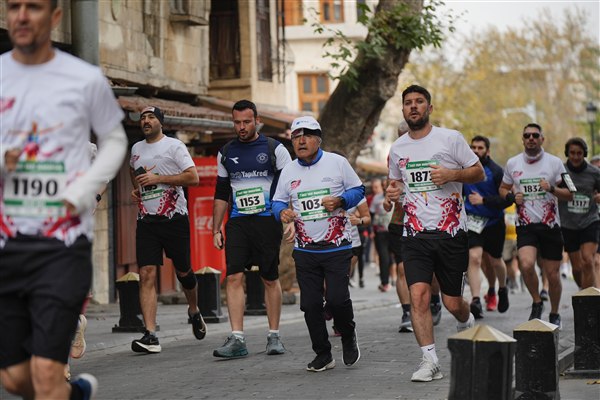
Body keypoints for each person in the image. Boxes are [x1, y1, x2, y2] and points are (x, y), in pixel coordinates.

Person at [0, 0, 127, 398]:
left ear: (55, 17)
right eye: (14, 6)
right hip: (10, 245)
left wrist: (85, 190)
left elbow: (114, 141)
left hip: (63, 244)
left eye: (33, 7)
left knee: (45, 370)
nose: (22, 15)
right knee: (14, 379)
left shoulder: (83, 79)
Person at [386, 85, 483, 382]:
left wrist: (453, 174)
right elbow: (396, 183)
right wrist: (393, 192)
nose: (413, 106)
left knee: (453, 303)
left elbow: (478, 172)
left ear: (429, 108)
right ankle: (430, 361)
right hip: (415, 234)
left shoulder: (450, 138)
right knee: (418, 296)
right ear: (403, 110)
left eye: (419, 102)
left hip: (450, 233)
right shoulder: (397, 148)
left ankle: (466, 319)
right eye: (408, 103)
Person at [272, 116, 364, 372]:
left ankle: (348, 334)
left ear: (318, 139)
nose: (300, 141)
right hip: (305, 249)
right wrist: (281, 212)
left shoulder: (337, 163)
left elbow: (359, 190)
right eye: (296, 137)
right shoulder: (289, 170)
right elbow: (277, 201)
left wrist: (341, 201)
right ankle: (323, 353)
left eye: (307, 135)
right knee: (310, 305)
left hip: (337, 247)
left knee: (336, 299)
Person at [212, 99, 292, 358]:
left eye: (247, 121)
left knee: (269, 277)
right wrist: (216, 228)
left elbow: (290, 187)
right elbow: (221, 193)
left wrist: (289, 219)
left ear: (257, 121)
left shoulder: (275, 149)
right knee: (234, 276)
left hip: (267, 219)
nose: (242, 127)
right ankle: (237, 339)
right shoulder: (226, 152)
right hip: (238, 222)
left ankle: (274, 336)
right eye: (237, 122)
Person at [130, 106, 206, 354]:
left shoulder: (174, 146)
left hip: (174, 219)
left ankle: (194, 309)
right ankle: (151, 335)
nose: (146, 121)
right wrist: (137, 189)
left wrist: (158, 179)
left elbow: (193, 178)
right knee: (146, 273)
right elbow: (133, 170)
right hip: (146, 221)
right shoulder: (136, 148)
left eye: (151, 117)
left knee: (183, 271)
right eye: (143, 118)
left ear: (160, 122)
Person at [499, 123, 573, 327]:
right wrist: (512, 197)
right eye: (527, 135)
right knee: (526, 264)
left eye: (535, 135)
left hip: (550, 226)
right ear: (522, 139)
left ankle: (555, 312)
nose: (531, 138)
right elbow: (503, 189)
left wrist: (552, 189)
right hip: (526, 226)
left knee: (553, 275)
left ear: (542, 139)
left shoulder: (555, 163)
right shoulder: (513, 163)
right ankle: (537, 301)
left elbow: (571, 193)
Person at [463, 135, 511, 318]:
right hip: (473, 221)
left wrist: (484, 200)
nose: (476, 151)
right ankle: (476, 300)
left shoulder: (496, 171)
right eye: (473, 147)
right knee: (474, 258)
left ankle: (502, 288)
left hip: (494, 222)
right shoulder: (464, 170)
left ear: (487, 151)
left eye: (480, 148)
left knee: (495, 260)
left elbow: (506, 200)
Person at [558, 138, 600, 289]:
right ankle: (584, 291)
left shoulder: (594, 173)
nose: (576, 157)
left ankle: (590, 297)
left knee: (588, 260)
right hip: (568, 224)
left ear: (585, 154)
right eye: (572, 153)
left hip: (589, 221)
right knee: (577, 267)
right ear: (567, 153)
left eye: (579, 153)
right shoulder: (561, 171)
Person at [370, 178, 393, 291]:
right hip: (380, 232)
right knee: (384, 257)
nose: (385, 187)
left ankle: (396, 279)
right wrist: (371, 230)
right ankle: (385, 282)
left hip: (394, 231)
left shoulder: (396, 196)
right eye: (383, 185)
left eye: (386, 184)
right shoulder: (376, 198)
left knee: (393, 258)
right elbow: (371, 214)